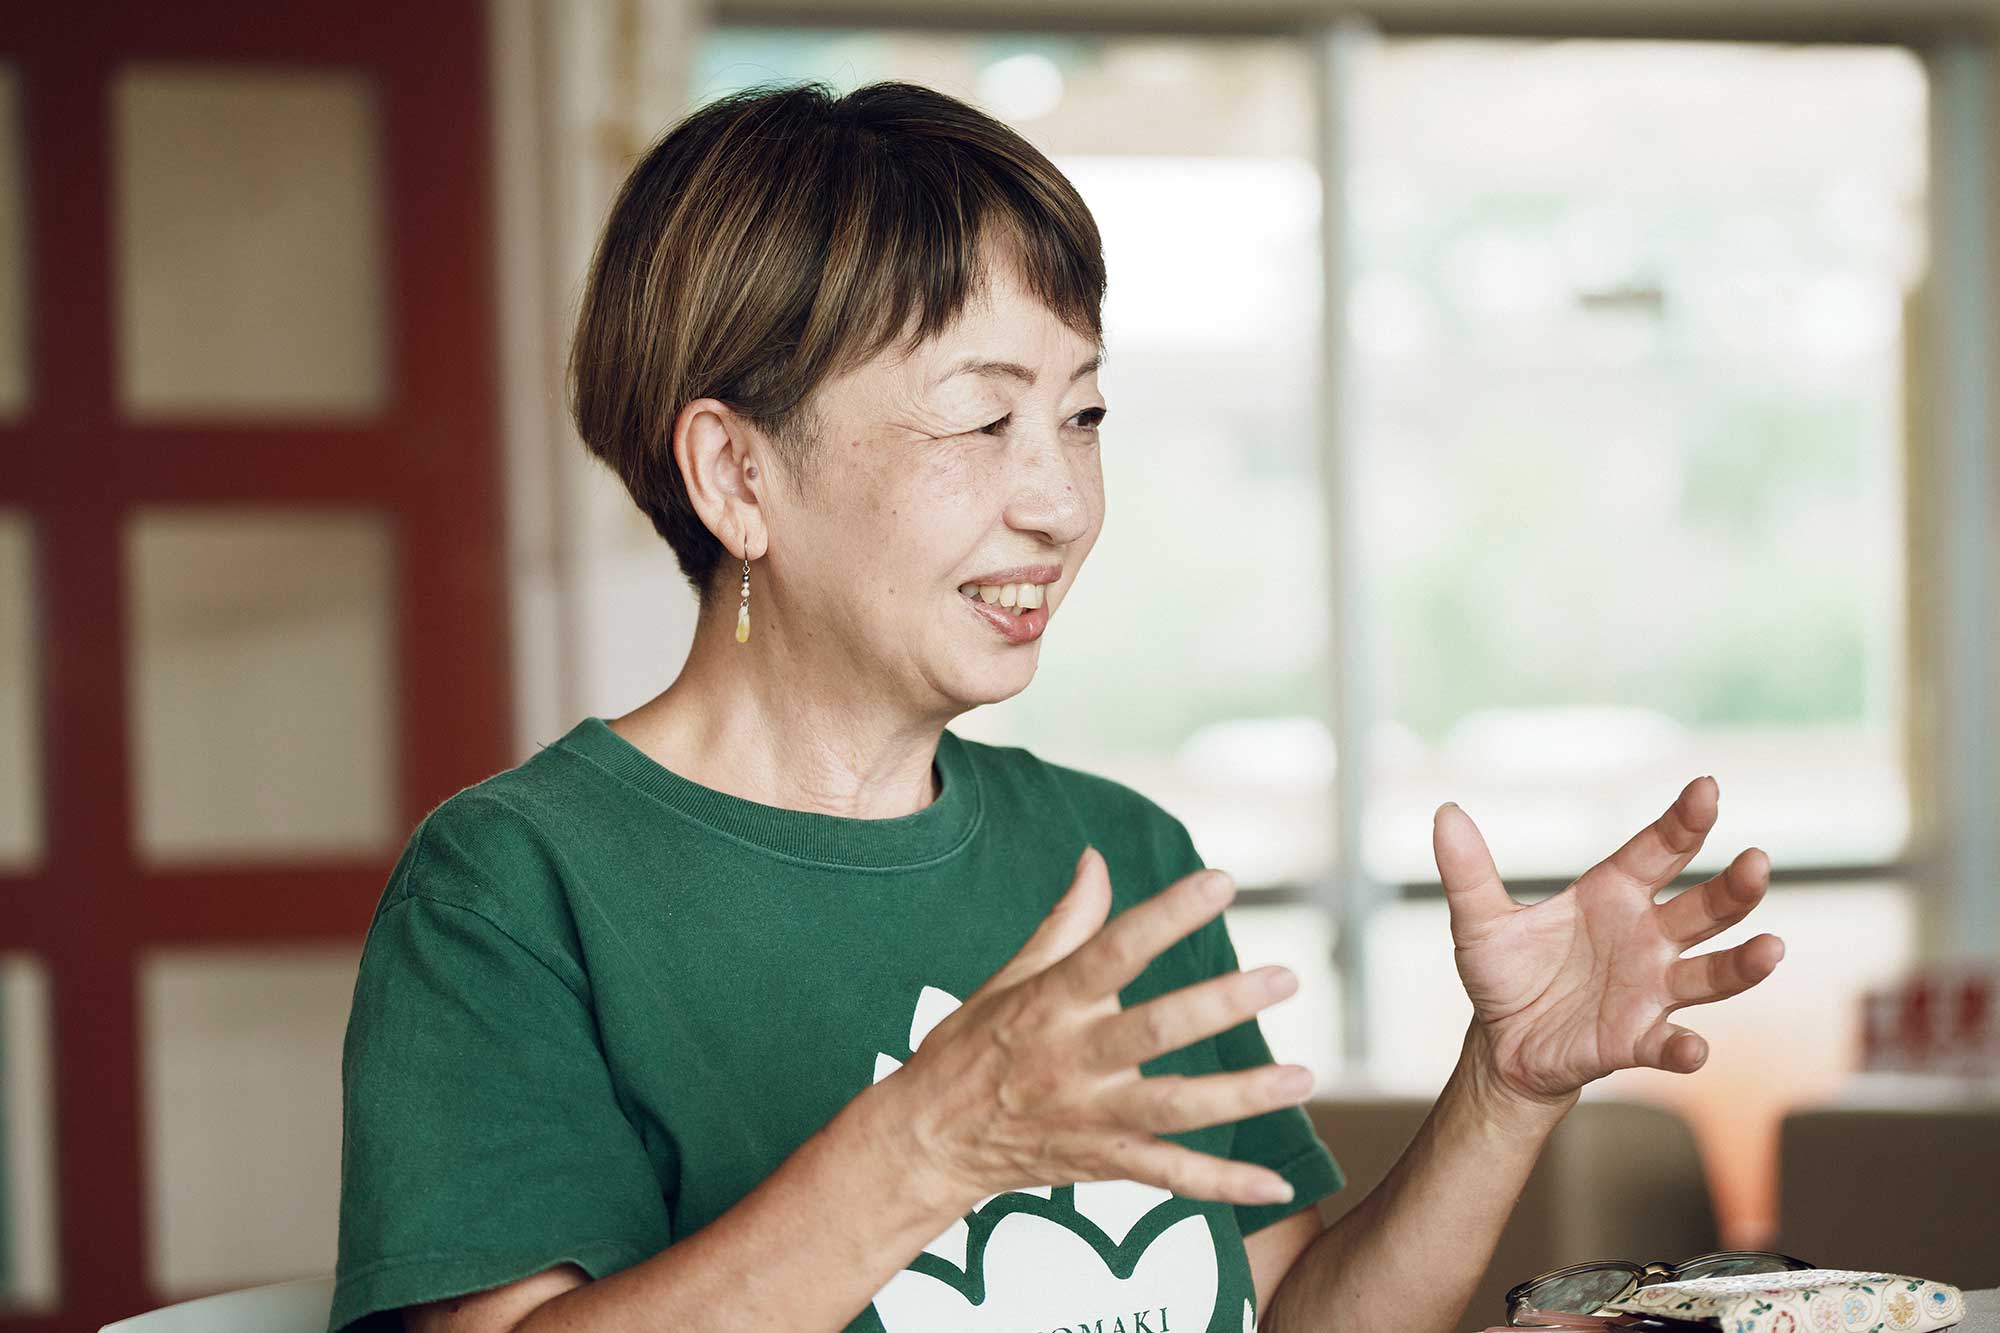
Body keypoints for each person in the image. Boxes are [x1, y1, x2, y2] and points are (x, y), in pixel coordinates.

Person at [328, 79, 1785, 1333]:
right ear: (737, 474)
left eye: (1083, 415)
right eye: (983, 419)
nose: (1062, 501)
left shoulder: (1112, 854)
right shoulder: (515, 888)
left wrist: (1508, 1086)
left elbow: (1289, 1316)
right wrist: (932, 1144)